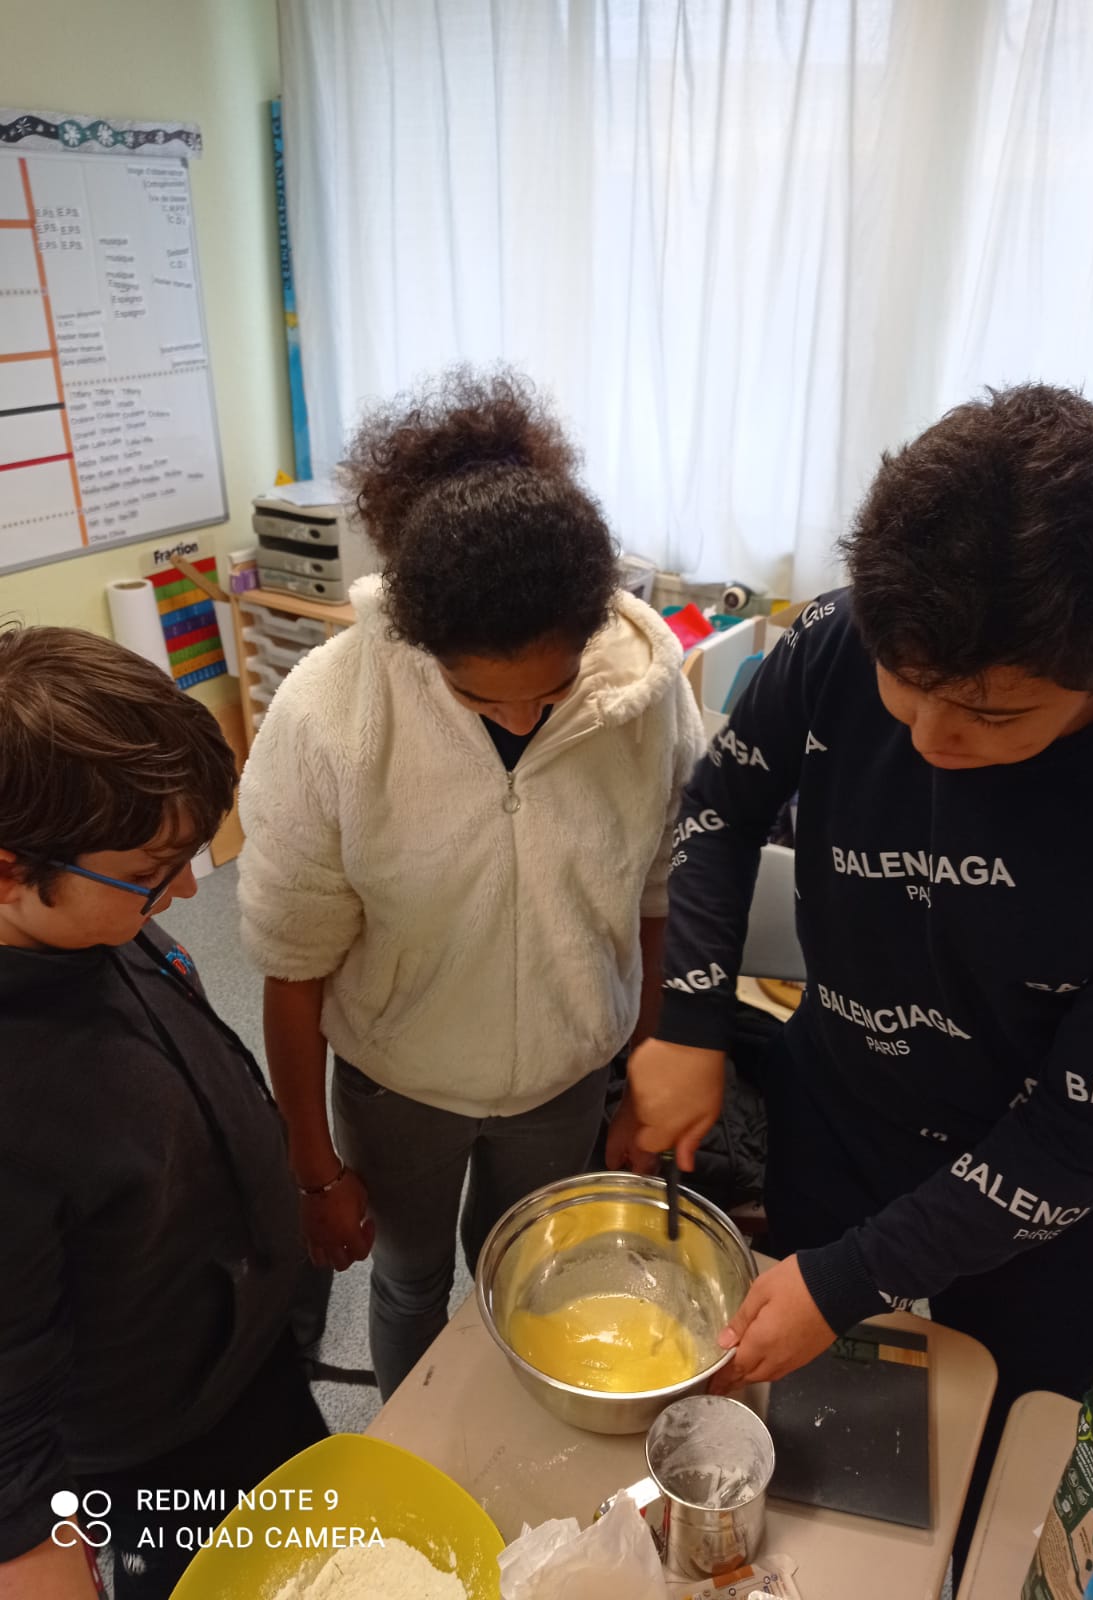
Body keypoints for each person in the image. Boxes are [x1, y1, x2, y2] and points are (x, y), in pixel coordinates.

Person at [610, 383, 1093, 1554]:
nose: (927, 737)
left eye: (990, 714)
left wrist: (850, 1279)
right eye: (902, 681)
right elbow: (722, 807)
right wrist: (689, 1017)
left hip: (1038, 1203)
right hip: (843, 1115)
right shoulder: (838, 637)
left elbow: (1085, 1134)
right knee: (826, 1436)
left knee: (997, 1469)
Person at [238, 367, 704, 1397]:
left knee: (531, 1277)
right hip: (398, 1081)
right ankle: (415, 1448)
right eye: (477, 696)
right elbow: (290, 958)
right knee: (410, 1281)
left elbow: (662, 899)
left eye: (550, 689)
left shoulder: (647, 695)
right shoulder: (329, 715)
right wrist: (312, 1166)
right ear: (422, 644)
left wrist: (643, 1069)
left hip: (566, 1072)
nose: (519, 718)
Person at [0, 628, 324, 1600]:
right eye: (151, 871)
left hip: (246, 1353)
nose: (186, 890)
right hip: (153, 1452)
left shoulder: (89, 926)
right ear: (9, 871)